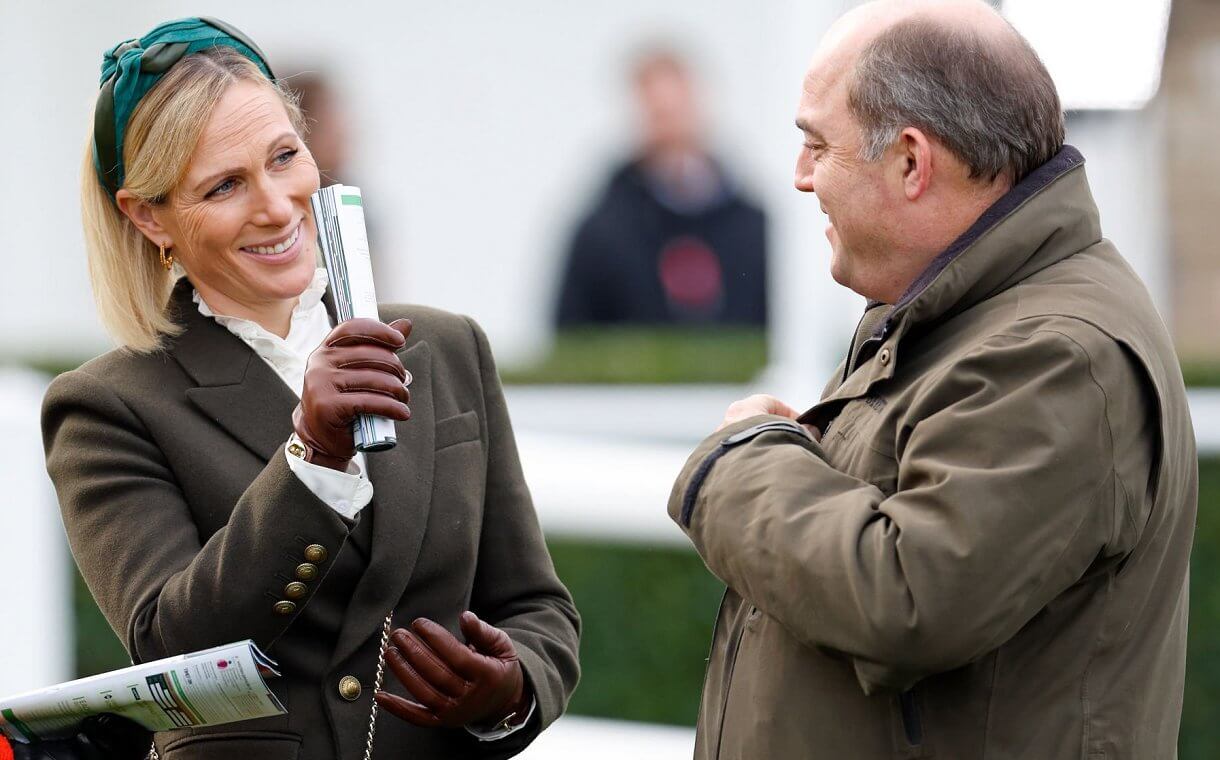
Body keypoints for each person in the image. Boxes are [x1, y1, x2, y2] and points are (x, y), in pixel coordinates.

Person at [667, 1, 1196, 758]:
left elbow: (908, 600)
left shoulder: (1057, 353)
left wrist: (741, 459)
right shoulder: (960, 308)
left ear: (913, 162)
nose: (799, 177)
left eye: (818, 144)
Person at [42, 18, 579, 760]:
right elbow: (172, 652)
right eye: (225, 184)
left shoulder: (448, 346)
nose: (275, 204)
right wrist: (312, 458)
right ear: (147, 215)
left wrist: (510, 691)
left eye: (284, 157)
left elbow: (535, 607)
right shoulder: (109, 405)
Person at [555, 49, 768, 327]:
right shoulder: (602, 234)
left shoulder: (753, 228)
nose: (672, 134)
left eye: (679, 113)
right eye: (660, 117)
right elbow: (571, 338)